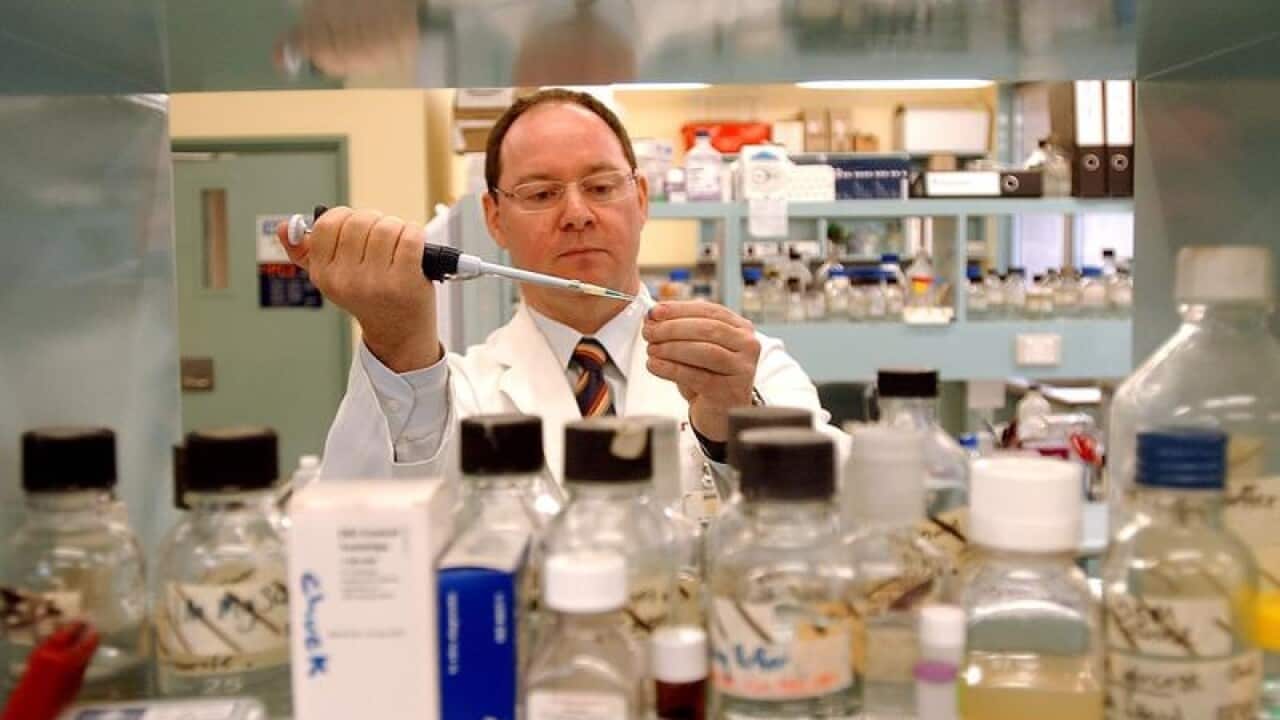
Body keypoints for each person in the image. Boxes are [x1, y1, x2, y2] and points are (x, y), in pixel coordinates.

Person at [276, 88, 833, 494]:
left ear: (641, 198)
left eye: (601, 186)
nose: (577, 214)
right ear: (494, 218)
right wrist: (396, 343)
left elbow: (832, 521)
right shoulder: (463, 394)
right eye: (541, 193)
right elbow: (368, 534)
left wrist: (732, 425)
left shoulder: (744, 365)